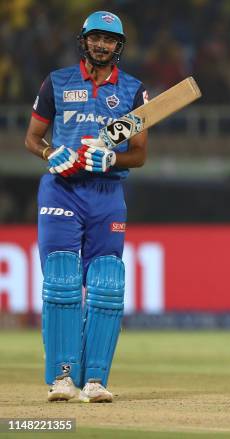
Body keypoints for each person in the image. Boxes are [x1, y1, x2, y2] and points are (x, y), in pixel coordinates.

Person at [24, 11, 148, 403]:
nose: (101, 45)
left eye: (109, 40)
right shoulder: (56, 82)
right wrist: (50, 152)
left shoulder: (132, 90)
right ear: (84, 41)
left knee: (107, 282)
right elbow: (32, 137)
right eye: (95, 38)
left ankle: (94, 380)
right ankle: (61, 378)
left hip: (106, 194)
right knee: (61, 279)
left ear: (118, 47)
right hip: (61, 190)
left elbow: (140, 154)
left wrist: (113, 159)